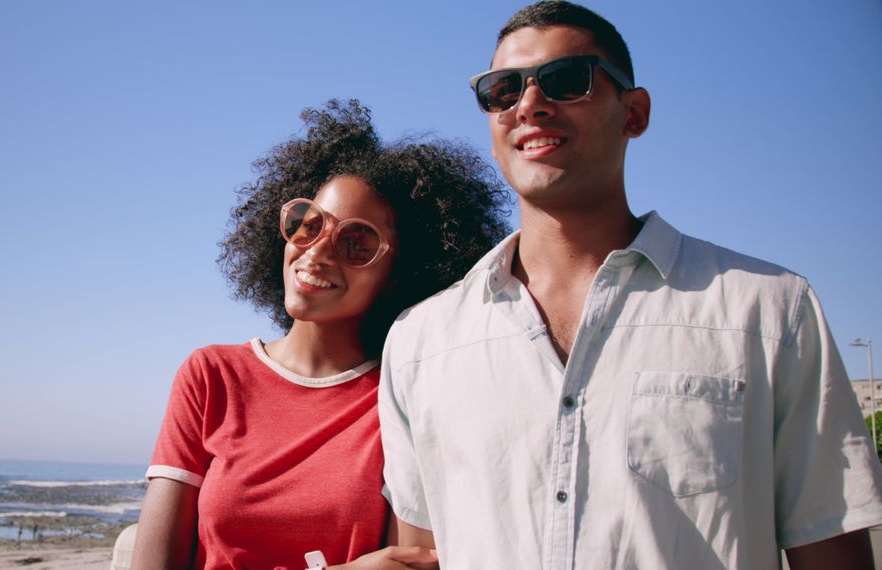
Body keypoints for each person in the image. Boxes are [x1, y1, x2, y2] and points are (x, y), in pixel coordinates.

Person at [378, 2, 882, 569]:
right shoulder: (421, 342)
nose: (529, 104)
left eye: (566, 80)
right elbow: (419, 557)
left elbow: (831, 548)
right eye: (502, 89)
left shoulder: (769, 311)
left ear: (634, 113)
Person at [132, 99, 510, 569]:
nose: (317, 253)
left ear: (399, 273)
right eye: (308, 225)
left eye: (356, 243)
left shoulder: (402, 396)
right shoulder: (211, 376)